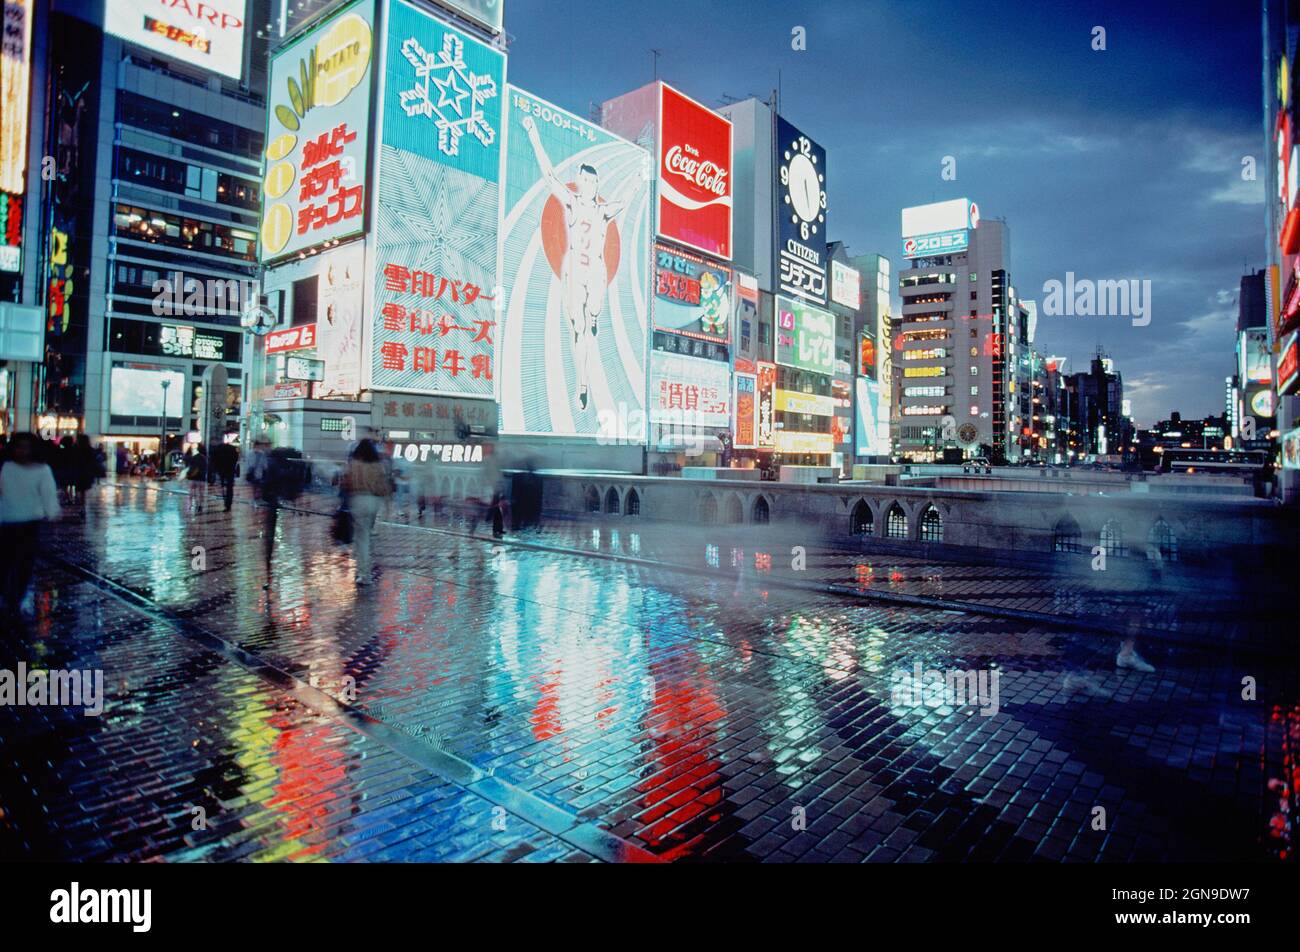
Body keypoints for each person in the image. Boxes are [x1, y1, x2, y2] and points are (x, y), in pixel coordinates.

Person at [522, 113, 627, 411]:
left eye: (593, 180)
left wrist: (640, 179)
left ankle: (595, 316)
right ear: (580, 181)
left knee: (593, 309)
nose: (588, 184)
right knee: (577, 327)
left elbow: (625, 200)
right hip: (574, 269)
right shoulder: (571, 202)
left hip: (595, 269)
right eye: (584, 179)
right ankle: (582, 384)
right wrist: (533, 134)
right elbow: (549, 176)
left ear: (596, 184)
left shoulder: (603, 210)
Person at [0, 433, 62, 617]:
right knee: (6, 561)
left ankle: (14, 598)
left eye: (26, 447)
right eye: (19, 446)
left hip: (30, 522)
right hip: (7, 520)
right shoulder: (6, 467)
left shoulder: (41, 470)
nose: (22, 451)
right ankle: (8, 596)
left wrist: (52, 513)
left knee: (23, 563)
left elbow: (48, 495)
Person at [340, 439, 392, 586]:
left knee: (361, 539)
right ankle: (362, 567)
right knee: (366, 536)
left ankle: (364, 573)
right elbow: (384, 486)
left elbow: (346, 482)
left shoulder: (354, 465)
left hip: (359, 500)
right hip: (374, 501)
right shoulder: (378, 466)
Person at [210, 441, 240, 512]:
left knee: (223, 486)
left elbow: (213, 460)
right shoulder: (233, 449)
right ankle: (228, 504)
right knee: (229, 488)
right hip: (230, 470)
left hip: (221, 470)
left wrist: (216, 469)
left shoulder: (217, 449)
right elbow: (236, 459)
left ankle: (225, 502)